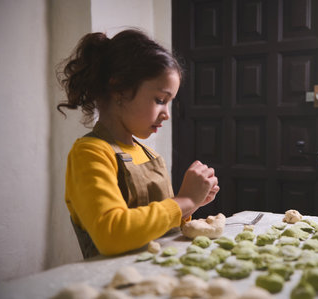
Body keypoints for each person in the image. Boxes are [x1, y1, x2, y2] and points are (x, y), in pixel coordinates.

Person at [56, 29, 219, 258]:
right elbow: (111, 234)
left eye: (169, 103)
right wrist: (184, 200)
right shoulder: (90, 153)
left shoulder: (149, 155)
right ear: (119, 90)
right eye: (160, 100)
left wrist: (191, 205)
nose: (167, 114)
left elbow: (161, 222)